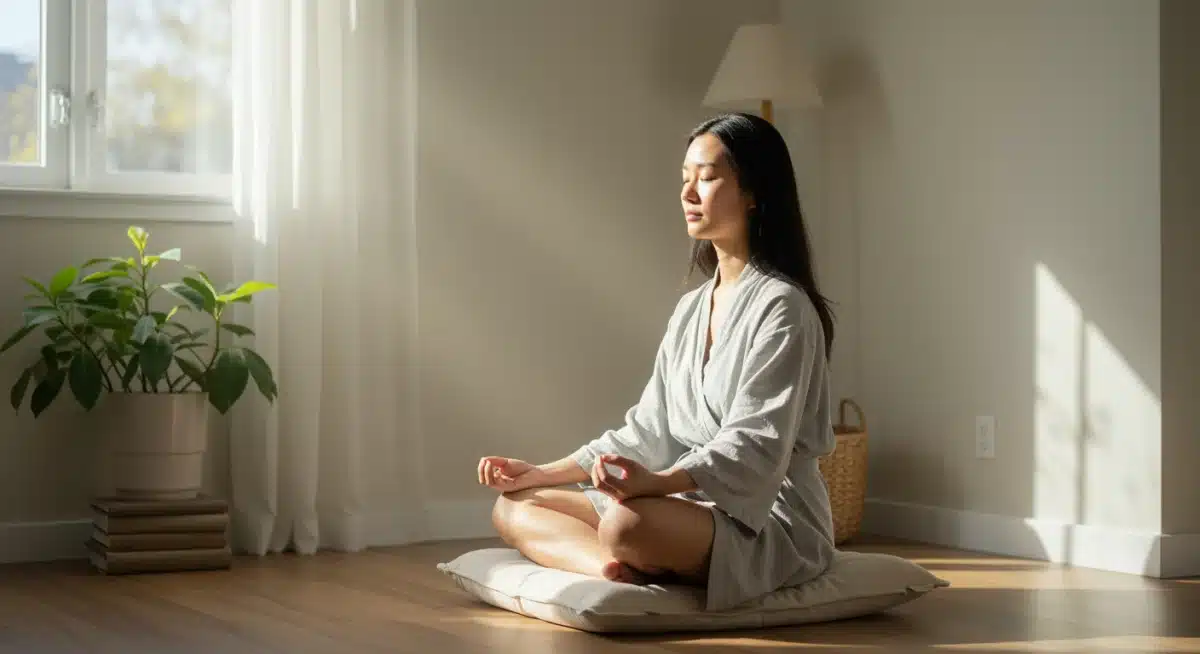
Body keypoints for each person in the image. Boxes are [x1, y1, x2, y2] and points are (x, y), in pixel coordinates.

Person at [478, 112, 839, 612]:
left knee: (628, 523)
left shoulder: (784, 308)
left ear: (755, 192)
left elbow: (754, 447)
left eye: (707, 178)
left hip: (769, 517)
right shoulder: (692, 308)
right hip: (688, 503)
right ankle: (608, 571)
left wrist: (658, 485)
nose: (689, 194)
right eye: (684, 179)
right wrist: (538, 473)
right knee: (515, 507)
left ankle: (629, 550)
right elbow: (646, 431)